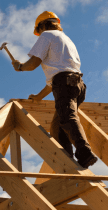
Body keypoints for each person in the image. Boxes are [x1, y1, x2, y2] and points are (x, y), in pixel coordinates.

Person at [11, 11, 97, 168]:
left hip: (65, 83)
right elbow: (57, 78)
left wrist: (20, 67)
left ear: (42, 26)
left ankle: (84, 151)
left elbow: (33, 64)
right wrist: (38, 97)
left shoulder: (47, 36)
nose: (39, 34)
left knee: (67, 117)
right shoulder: (66, 40)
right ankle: (68, 163)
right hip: (77, 84)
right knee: (57, 128)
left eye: (39, 31)